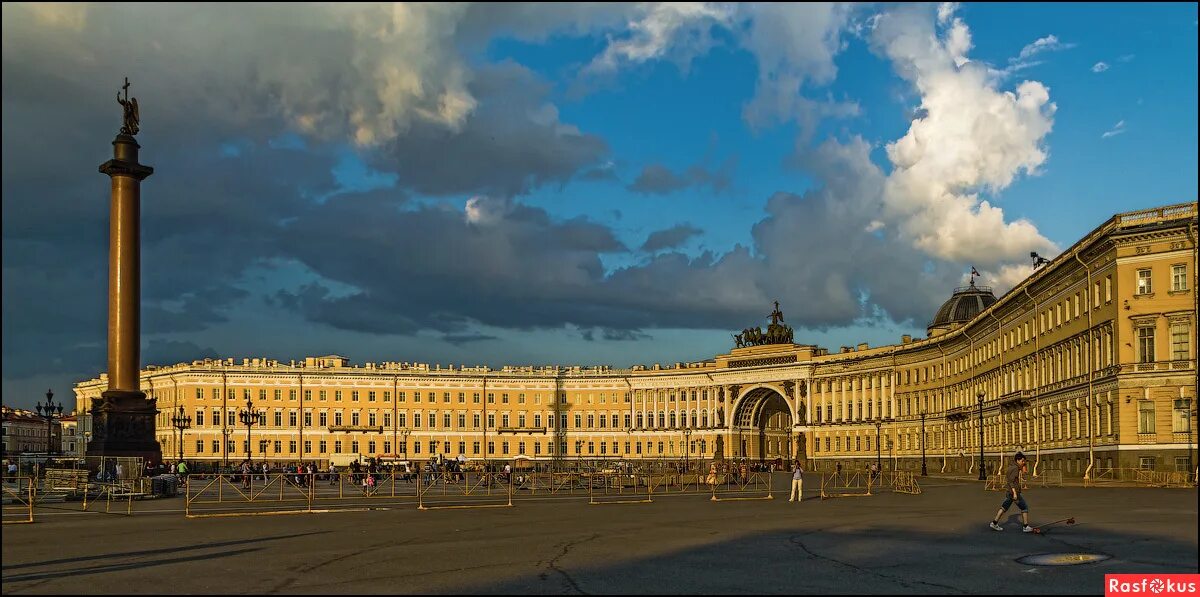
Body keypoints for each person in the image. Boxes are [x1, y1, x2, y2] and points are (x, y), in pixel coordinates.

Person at [989, 452, 1032, 532]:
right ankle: (1026, 526)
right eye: (1022, 461)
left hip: (1009, 492)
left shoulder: (1011, 467)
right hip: (1013, 493)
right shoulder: (1015, 468)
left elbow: (1009, 479)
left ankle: (994, 523)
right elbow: (1011, 481)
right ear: (1018, 460)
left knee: (1004, 507)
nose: (1024, 463)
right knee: (1024, 507)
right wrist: (1015, 493)